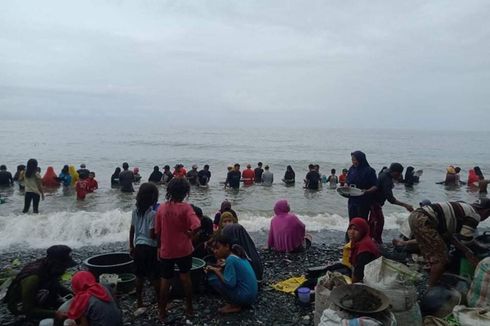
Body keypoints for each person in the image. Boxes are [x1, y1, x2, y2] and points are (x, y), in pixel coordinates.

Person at [408, 199, 490, 286]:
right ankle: (429, 288)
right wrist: (471, 253)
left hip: (416, 216)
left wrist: (466, 250)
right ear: (487, 211)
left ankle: (432, 278)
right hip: (425, 220)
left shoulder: (465, 208)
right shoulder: (474, 215)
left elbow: (449, 237)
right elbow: (466, 240)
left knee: (432, 255)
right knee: (442, 260)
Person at [154, 178, 200, 320]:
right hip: (184, 249)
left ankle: (162, 311)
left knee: (165, 280)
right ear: (186, 192)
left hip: (166, 250)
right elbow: (197, 224)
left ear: (169, 191)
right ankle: (190, 308)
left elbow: (157, 231)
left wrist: (158, 247)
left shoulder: (162, 208)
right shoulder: (186, 208)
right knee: (185, 277)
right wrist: (190, 234)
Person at [5, 245, 77, 322]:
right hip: (21, 305)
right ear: (55, 263)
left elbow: (56, 285)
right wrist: (55, 314)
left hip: (38, 294)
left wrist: (75, 296)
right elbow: (28, 309)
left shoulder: (49, 265)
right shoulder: (33, 278)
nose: (65, 269)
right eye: (64, 266)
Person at [206, 235, 258, 314]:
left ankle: (235, 305)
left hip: (245, 297)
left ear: (227, 246)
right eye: (213, 249)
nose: (214, 251)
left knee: (212, 279)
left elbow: (230, 284)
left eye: (217, 248)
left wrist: (215, 270)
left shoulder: (230, 259)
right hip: (251, 295)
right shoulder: (237, 254)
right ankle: (237, 302)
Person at [365, 163, 414, 244]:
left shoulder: (384, 173)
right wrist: (406, 205)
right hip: (375, 202)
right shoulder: (386, 179)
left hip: (372, 201)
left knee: (372, 221)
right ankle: (377, 241)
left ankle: (370, 238)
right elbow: (391, 199)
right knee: (380, 221)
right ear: (394, 172)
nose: (399, 175)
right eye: (398, 173)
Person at [129, 183, 160, 310]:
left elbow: (132, 230)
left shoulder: (135, 211)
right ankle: (160, 301)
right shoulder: (152, 213)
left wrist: (131, 245)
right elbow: (153, 234)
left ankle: (139, 301)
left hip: (138, 247)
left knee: (139, 276)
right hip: (150, 248)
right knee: (154, 276)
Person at [345, 151, 377, 220]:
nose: (353, 162)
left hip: (363, 200)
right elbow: (347, 181)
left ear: (361, 159)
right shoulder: (352, 169)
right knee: (352, 220)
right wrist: (345, 185)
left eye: (355, 160)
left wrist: (367, 191)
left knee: (361, 220)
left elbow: (375, 186)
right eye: (352, 160)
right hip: (352, 200)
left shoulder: (370, 171)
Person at [347, 218, 380, 283]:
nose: (352, 232)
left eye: (356, 229)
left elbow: (358, 276)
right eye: (350, 228)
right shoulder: (362, 241)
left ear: (362, 231)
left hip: (371, 279)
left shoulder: (365, 248)